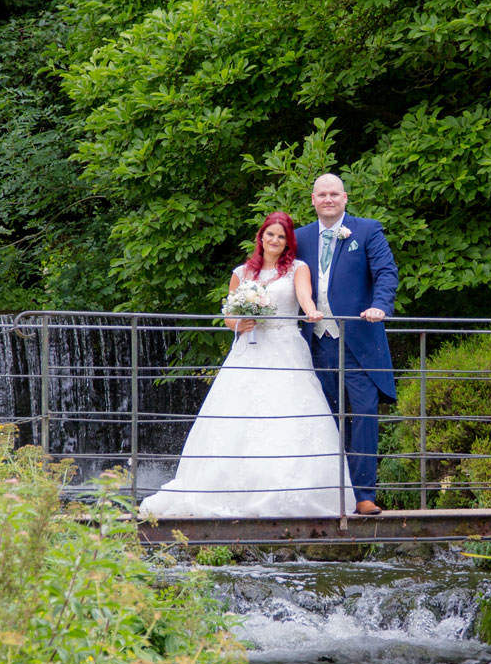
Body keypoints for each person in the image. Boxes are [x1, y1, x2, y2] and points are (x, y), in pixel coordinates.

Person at [139, 212, 357, 518]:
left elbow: (306, 298)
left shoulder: (298, 268)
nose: (275, 241)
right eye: (270, 235)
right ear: (261, 237)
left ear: (287, 242)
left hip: (285, 349)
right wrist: (239, 323)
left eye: (281, 237)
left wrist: (312, 312)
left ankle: (296, 490)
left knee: (289, 414)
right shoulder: (242, 273)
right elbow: (229, 316)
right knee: (238, 414)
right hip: (249, 350)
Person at [295, 173, 398, 515]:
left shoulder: (367, 230)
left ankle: (364, 494)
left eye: (334, 194)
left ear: (345, 198)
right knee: (323, 417)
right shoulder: (300, 238)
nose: (328, 199)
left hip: (357, 338)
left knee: (364, 412)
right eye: (322, 194)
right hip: (315, 342)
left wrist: (380, 305)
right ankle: (329, 493)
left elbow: (386, 272)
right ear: (313, 200)